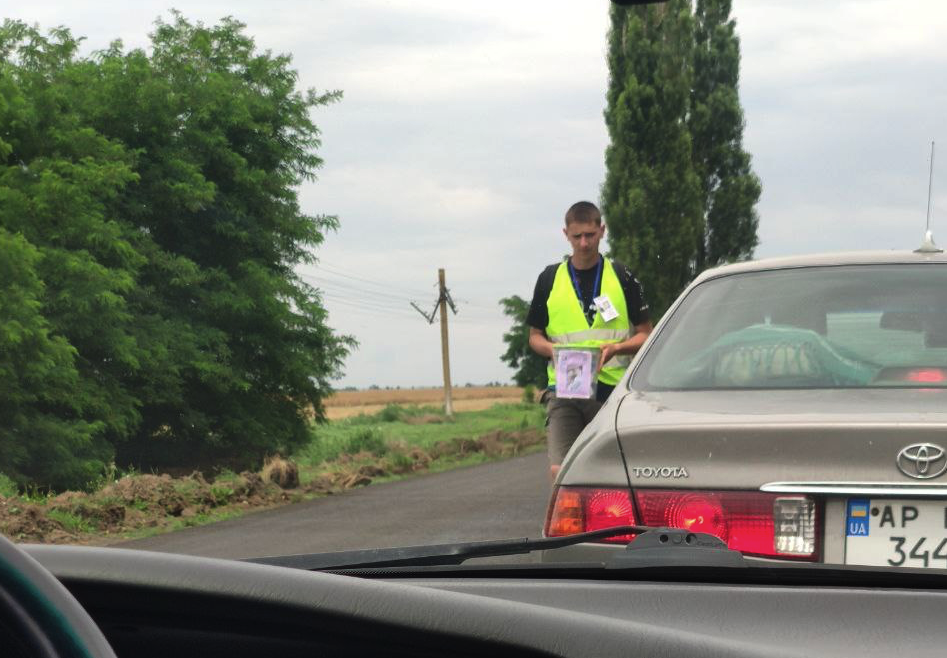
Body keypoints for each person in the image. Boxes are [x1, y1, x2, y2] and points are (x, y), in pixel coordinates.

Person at [527, 201, 653, 482]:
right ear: (565, 234)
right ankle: (566, 527)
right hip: (565, 387)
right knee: (562, 471)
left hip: (613, 390)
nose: (584, 243)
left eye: (590, 235)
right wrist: (553, 350)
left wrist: (618, 348)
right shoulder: (549, 278)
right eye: (577, 236)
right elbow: (534, 336)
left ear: (602, 230)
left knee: (613, 473)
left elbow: (646, 333)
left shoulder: (623, 276)